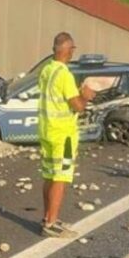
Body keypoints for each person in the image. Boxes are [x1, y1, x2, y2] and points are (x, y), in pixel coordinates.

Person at [38, 32, 96, 238]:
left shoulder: (46, 70)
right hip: (64, 135)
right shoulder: (64, 75)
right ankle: (51, 223)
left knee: (49, 175)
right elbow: (78, 106)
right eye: (72, 49)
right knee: (60, 176)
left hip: (47, 131)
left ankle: (48, 217)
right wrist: (86, 96)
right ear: (68, 50)